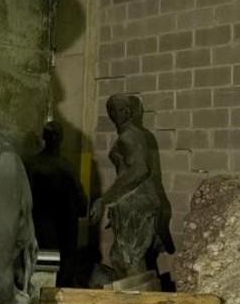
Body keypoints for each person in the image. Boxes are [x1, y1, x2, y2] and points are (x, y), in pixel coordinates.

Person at [90, 94, 175, 279]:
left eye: (122, 109)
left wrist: (105, 199)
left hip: (137, 204)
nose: (118, 113)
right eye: (113, 109)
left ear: (129, 112)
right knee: (124, 260)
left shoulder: (130, 136)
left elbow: (139, 170)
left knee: (128, 261)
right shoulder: (136, 135)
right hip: (134, 203)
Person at [25, 121, 88, 287]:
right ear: (60, 139)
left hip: (41, 227)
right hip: (64, 230)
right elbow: (81, 202)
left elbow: (26, 199)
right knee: (63, 271)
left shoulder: (33, 165)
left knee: (42, 269)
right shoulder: (66, 167)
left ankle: (41, 297)